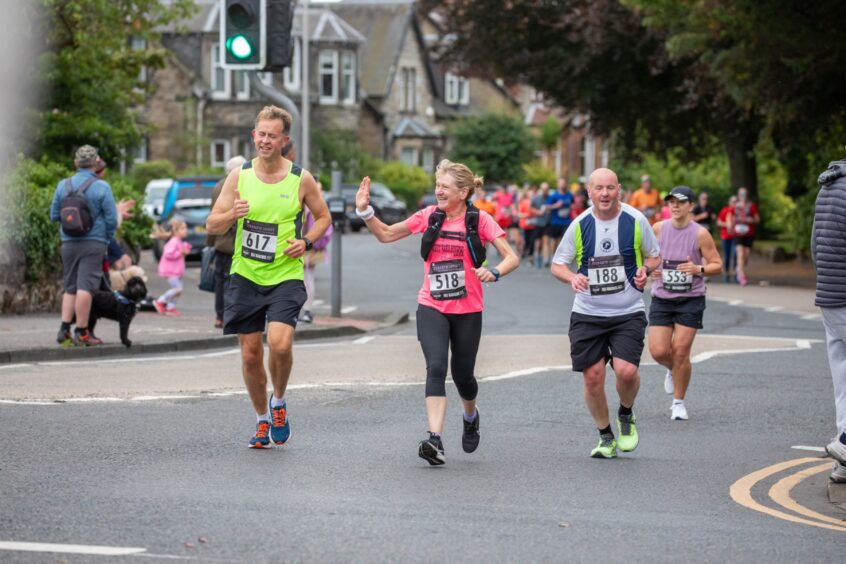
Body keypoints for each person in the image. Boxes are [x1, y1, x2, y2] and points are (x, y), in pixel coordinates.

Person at [355, 159, 519, 465]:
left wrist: (494, 272)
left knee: (463, 376)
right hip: (431, 304)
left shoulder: (479, 220)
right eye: (437, 186)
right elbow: (387, 233)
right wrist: (366, 211)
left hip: (468, 308)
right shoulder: (430, 216)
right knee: (436, 367)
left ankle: (470, 415)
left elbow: (512, 257)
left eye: (444, 187)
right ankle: (435, 439)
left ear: (463, 191)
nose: (438, 192)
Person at [206, 105, 331, 449]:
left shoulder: (299, 178)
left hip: (286, 274)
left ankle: (279, 400)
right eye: (260, 134)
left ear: (283, 140)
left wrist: (305, 241)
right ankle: (262, 419)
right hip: (245, 274)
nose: (264, 140)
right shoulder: (239, 176)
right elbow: (212, 225)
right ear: (254, 136)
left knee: (280, 343)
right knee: (249, 354)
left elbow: (323, 217)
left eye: (271, 135)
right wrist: (232, 212)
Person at [551, 168, 660, 459]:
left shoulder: (636, 220)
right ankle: (605, 436)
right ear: (589, 192)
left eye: (610, 188)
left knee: (626, 372)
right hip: (588, 312)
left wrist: (645, 270)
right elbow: (558, 264)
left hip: (627, 311)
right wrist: (571, 277)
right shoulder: (579, 224)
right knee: (593, 377)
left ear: (619, 190)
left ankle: (625, 413)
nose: (605, 194)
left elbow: (654, 255)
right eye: (599, 188)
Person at [647, 186, 723, 421]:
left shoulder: (700, 233)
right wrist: (653, 271)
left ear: (691, 206)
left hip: (690, 299)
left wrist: (697, 269)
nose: (675, 206)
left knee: (680, 351)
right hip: (662, 297)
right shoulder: (658, 229)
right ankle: (673, 369)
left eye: (680, 202)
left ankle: (678, 402)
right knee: (659, 351)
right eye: (671, 202)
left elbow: (717, 265)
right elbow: (646, 258)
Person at [50, 145, 118, 346]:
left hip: (68, 243)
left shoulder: (63, 185)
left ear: (75, 163)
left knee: (70, 286)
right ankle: (81, 331)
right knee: (85, 287)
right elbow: (111, 220)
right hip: (93, 243)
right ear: (96, 163)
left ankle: (64, 330)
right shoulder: (102, 187)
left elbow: (54, 215)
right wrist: (105, 237)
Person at [811, 160, 846, 483]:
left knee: (842, 378)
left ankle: (843, 461)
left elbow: (815, 244)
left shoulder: (829, 186)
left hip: (830, 293)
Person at [206, 155, 247, 328]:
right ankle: (233, 315)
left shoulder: (217, 187)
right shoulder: (243, 186)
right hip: (237, 243)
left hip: (221, 242)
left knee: (221, 283)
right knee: (236, 281)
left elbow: (212, 215)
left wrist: (210, 243)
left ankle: (220, 317)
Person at [301, 181, 333, 324]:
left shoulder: (306, 204)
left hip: (304, 245)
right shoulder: (320, 203)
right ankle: (307, 311)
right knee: (308, 278)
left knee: (305, 279)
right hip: (314, 247)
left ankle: (306, 311)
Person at [153, 218, 191, 316]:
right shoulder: (173, 241)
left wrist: (184, 250)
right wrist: (180, 252)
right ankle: (160, 301)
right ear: (175, 231)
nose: (185, 230)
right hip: (170, 271)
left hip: (176, 271)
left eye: (185, 228)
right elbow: (168, 254)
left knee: (178, 291)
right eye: (183, 228)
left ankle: (170, 307)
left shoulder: (178, 241)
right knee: (178, 289)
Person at [726, 187, 760, 286]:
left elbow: (757, 219)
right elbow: (729, 216)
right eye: (741, 194)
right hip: (737, 234)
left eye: (745, 194)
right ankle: (742, 276)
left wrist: (751, 220)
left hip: (749, 234)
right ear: (738, 196)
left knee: (746, 256)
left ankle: (739, 268)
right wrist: (729, 225)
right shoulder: (735, 207)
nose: (743, 196)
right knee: (740, 254)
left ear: (747, 196)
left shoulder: (751, 206)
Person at [716, 195, 738, 282]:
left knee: (736, 253)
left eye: (736, 201)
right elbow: (718, 222)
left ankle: (736, 271)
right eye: (733, 201)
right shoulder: (725, 210)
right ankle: (726, 271)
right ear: (729, 202)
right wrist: (727, 224)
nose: (734, 203)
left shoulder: (739, 211)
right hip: (725, 236)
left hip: (736, 236)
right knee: (727, 254)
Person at [531, 182, 551, 268]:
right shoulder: (536, 199)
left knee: (546, 242)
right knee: (539, 243)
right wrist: (538, 212)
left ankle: (546, 259)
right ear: (541, 189)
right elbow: (531, 208)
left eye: (546, 190)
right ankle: (538, 255)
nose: (545, 191)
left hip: (547, 222)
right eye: (543, 190)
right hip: (538, 223)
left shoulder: (551, 198)